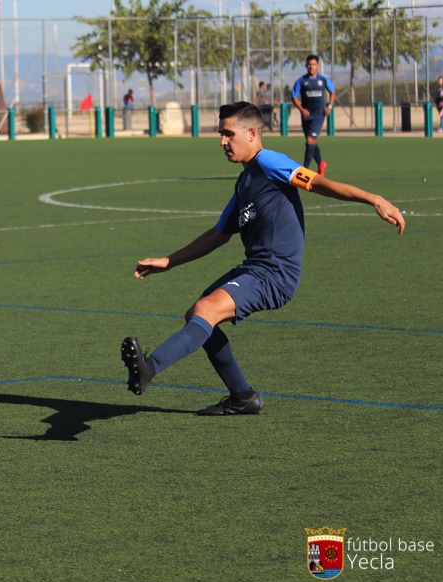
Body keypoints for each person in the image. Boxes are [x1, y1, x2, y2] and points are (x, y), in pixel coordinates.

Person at [120, 102, 405, 416]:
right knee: (198, 315)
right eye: (220, 134)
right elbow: (219, 234)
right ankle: (243, 397)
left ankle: (149, 368)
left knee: (205, 310)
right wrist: (168, 261)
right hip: (256, 268)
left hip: (275, 273)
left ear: (252, 133)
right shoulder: (243, 183)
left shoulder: (268, 160)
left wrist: (374, 199)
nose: (222, 142)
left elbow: (316, 182)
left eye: (228, 134)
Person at [291, 54, 335, 177]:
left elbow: (332, 92)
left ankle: (304, 170)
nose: (311, 67)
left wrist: (329, 106)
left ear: (318, 66)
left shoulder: (324, 80)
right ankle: (321, 164)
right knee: (310, 142)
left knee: (311, 140)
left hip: (318, 115)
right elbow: (294, 97)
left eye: (314, 64)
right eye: (309, 64)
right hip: (306, 115)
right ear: (306, 66)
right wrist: (301, 109)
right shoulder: (301, 81)